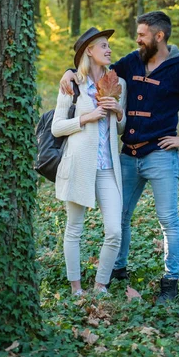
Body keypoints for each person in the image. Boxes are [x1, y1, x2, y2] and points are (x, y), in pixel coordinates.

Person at [60, 11, 179, 304]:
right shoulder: (132, 61)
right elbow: (94, 70)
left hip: (160, 155)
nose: (137, 39)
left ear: (159, 36)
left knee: (168, 220)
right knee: (120, 216)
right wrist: (69, 73)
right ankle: (118, 269)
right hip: (127, 156)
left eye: (142, 34)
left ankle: (170, 281)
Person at [52, 27, 127, 296]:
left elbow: (120, 129)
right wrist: (86, 117)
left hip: (108, 169)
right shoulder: (73, 84)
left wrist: (119, 113)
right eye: (103, 45)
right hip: (79, 166)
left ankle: (100, 285)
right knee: (74, 229)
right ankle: (76, 289)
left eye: (109, 45)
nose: (108, 49)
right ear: (89, 51)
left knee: (115, 231)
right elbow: (57, 128)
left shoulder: (119, 84)